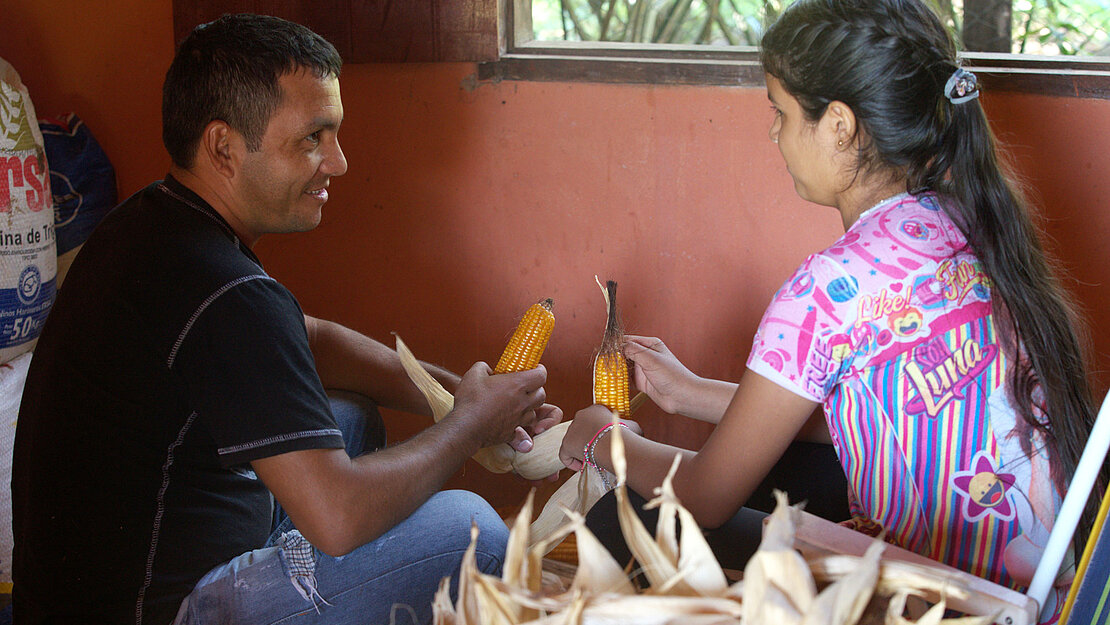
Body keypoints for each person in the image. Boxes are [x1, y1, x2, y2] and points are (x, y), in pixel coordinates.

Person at [560, 0, 1103, 619]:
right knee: (796, 467)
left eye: (781, 111)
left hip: (953, 601)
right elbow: (881, 413)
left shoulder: (828, 290)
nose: (773, 132)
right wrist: (691, 394)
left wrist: (605, 438)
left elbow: (707, 497)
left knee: (625, 516)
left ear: (839, 125)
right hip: (1051, 589)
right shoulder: (969, 219)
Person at [12, 14, 561, 625]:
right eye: (312, 138)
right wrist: (467, 425)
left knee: (349, 418)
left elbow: (309, 341)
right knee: (473, 532)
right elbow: (340, 516)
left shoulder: (150, 223)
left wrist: (459, 396)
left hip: (76, 592)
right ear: (223, 147)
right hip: (157, 612)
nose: (339, 163)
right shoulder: (229, 293)